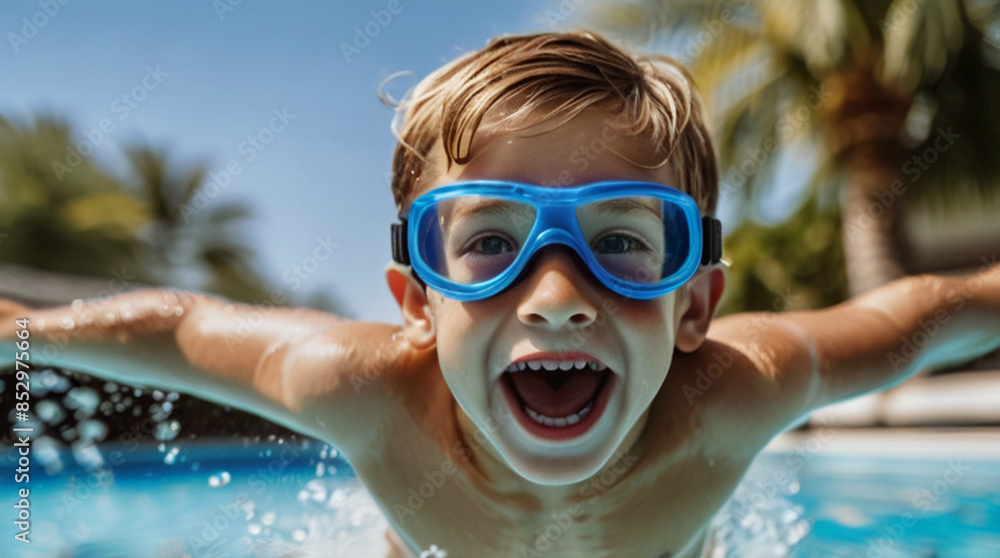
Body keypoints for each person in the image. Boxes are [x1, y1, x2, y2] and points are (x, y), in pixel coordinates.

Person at [3, 31, 999, 558]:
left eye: (619, 241)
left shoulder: (738, 392)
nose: (557, 294)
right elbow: (185, 329)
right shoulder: (359, 390)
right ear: (416, 302)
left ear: (695, 306)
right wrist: (28, 331)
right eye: (487, 244)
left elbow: (912, 320)